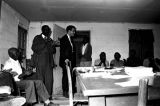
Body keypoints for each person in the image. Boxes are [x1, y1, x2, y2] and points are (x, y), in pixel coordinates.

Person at [31, 25, 57, 97]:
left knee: (49, 80)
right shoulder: (37, 38)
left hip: (49, 62)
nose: (47, 31)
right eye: (45, 30)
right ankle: (41, 97)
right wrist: (45, 42)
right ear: (42, 30)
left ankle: (48, 96)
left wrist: (53, 45)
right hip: (40, 62)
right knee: (40, 80)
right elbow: (34, 48)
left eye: (48, 30)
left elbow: (53, 51)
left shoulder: (50, 39)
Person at [59, 25, 76, 98]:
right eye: (73, 31)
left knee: (70, 76)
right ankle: (65, 92)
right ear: (69, 31)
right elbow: (62, 50)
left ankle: (69, 91)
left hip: (70, 61)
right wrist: (65, 58)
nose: (74, 32)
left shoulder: (70, 39)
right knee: (66, 76)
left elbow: (71, 51)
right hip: (65, 61)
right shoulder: (64, 38)